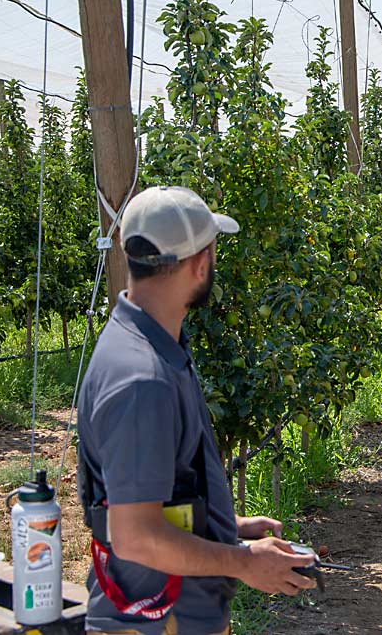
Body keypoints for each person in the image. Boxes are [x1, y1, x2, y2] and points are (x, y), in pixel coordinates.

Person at [76, 186, 315, 635]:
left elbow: (150, 498)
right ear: (201, 262)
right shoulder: (141, 379)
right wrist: (243, 562)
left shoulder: (152, 348)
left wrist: (228, 526)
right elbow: (135, 535)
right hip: (155, 622)